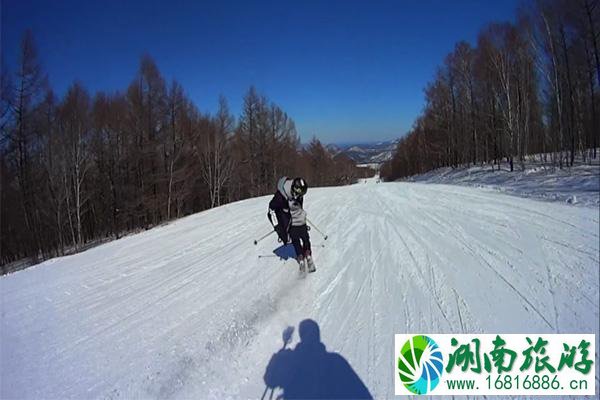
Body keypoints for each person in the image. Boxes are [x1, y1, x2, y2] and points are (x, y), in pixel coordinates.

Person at [268, 176, 315, 272]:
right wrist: (279, 228)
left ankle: (305, 255)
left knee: (302, 237)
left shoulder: (297, 191)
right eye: (298, 194)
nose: (299, 196)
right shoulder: (281, 196)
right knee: (297, 239)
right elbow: (271, 211)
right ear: (293, 189)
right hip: (289, 220)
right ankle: (303, 256)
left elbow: (298, 205)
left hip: (297, 219)